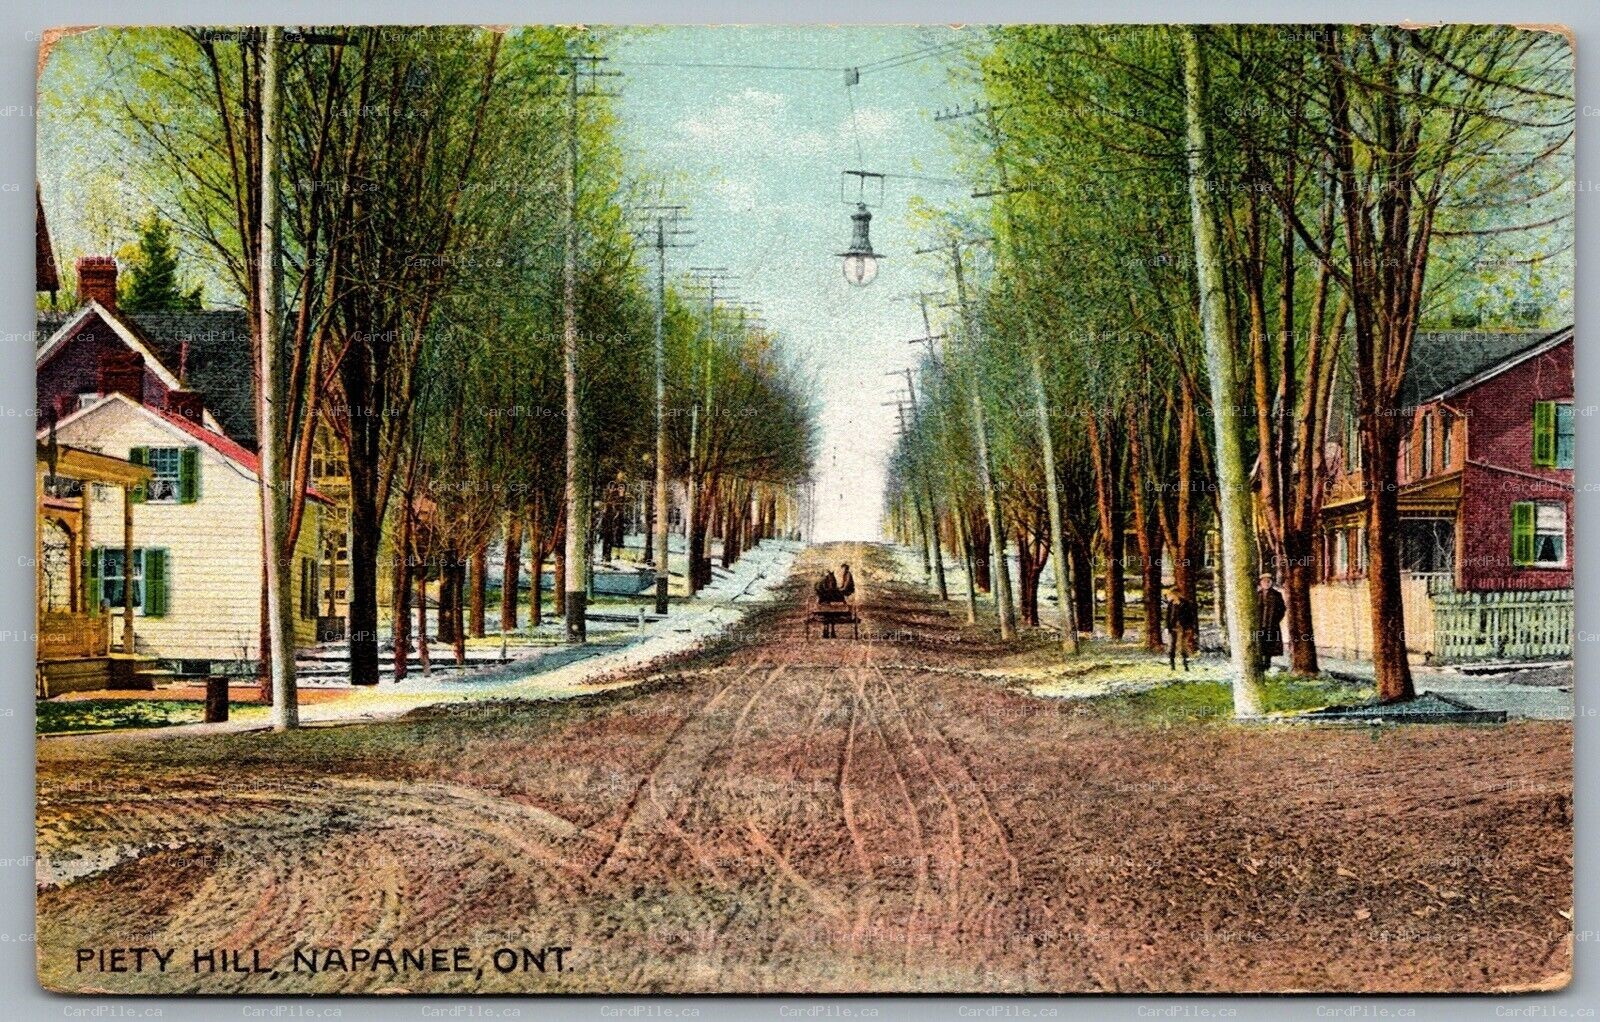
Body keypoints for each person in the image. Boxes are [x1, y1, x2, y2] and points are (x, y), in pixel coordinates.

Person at [1256, 572, 1286, 673]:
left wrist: (1276, 620)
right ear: (1261, 583)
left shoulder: (1277, 595)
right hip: (1259, 624)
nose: (1266, 583)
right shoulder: (1257, 595)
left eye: (1268, 581)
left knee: (1269, 645)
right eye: (1264, 581)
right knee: (1259, 644)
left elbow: (1282, 609)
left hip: (1271, 625)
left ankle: (1267, 665)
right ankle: (1260, 665)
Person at [1162, 587, 1199, 672]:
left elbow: (1191, 617)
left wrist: (1190, 627)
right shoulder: (1171, 604)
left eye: (1173, 594)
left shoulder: (1186, 603)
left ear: (1178, 594)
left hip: (1184, 628)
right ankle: (1172, 666)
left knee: (1183, 646)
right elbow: (1168, 617)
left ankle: (1185, 665)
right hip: (1173, 627)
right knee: (1172, 646)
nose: (1172, 596)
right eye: (1171, 594)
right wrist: (1167, 627)